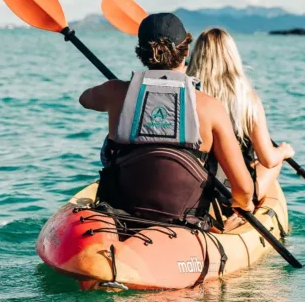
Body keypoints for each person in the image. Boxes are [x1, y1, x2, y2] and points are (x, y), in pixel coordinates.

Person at [77, 13, 255, 230]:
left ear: (140, 53)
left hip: (121, 216)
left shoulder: (114, 93)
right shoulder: (210, 107)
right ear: (187, 51)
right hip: (184, 223)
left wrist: (122, 88)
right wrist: (243, 207)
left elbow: (84, 99)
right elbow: (244, 190)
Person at [186, 28, 295, 228]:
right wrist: (284, 151)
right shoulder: (248, 99)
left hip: (193, 193)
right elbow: (269, 160)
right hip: (233, 197)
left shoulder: (188, 95)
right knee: (274, 160)